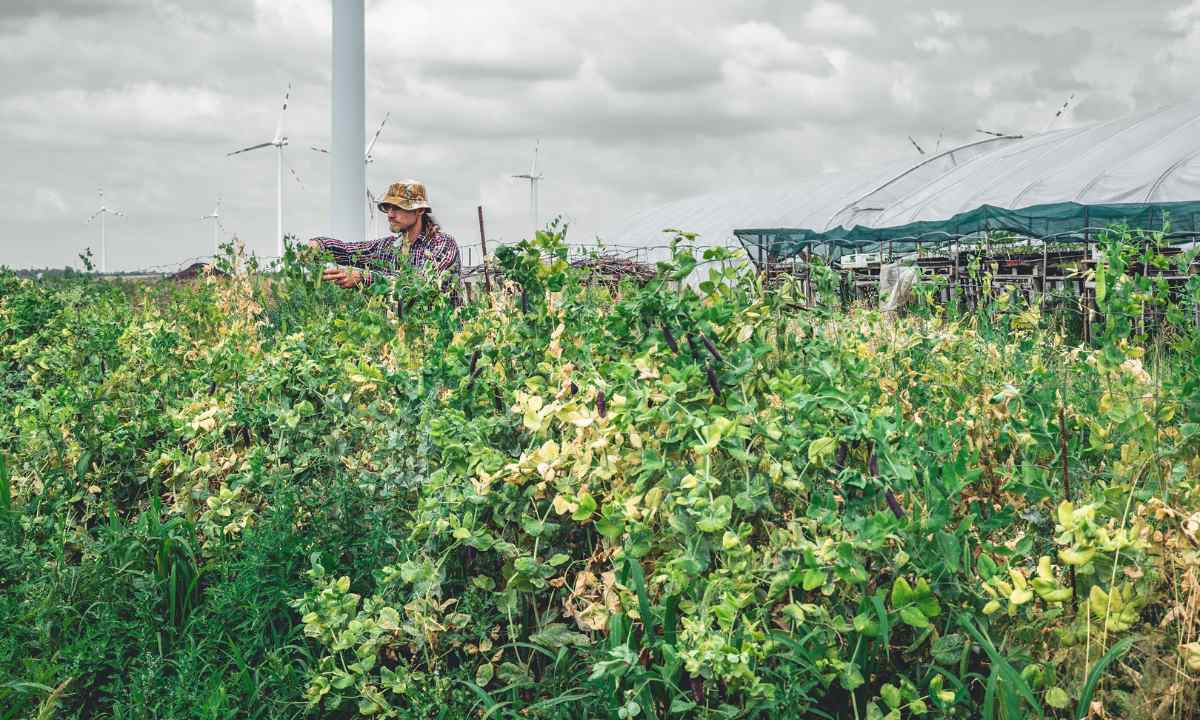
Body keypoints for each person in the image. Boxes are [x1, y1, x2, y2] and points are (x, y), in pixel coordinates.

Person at [307, 180, 461, 298]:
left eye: (398, 208)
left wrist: (364, 278)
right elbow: (348, 252)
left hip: (442, 335)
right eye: (388, 208)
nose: (390, 214)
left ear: (420, 210)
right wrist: (319, 245)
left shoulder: (442, 244)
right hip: (400, 337)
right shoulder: (387, 247)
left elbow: (421, 286)